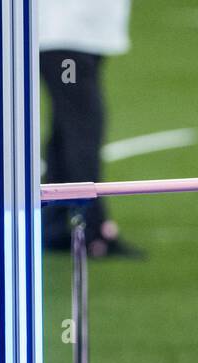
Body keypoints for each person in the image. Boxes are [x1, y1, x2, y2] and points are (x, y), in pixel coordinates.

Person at [39, 0, 141, 258]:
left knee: (67, 128)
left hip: (74, 32)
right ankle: (93, 230)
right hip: (66, 34)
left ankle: (54, 221)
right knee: (82, 128)